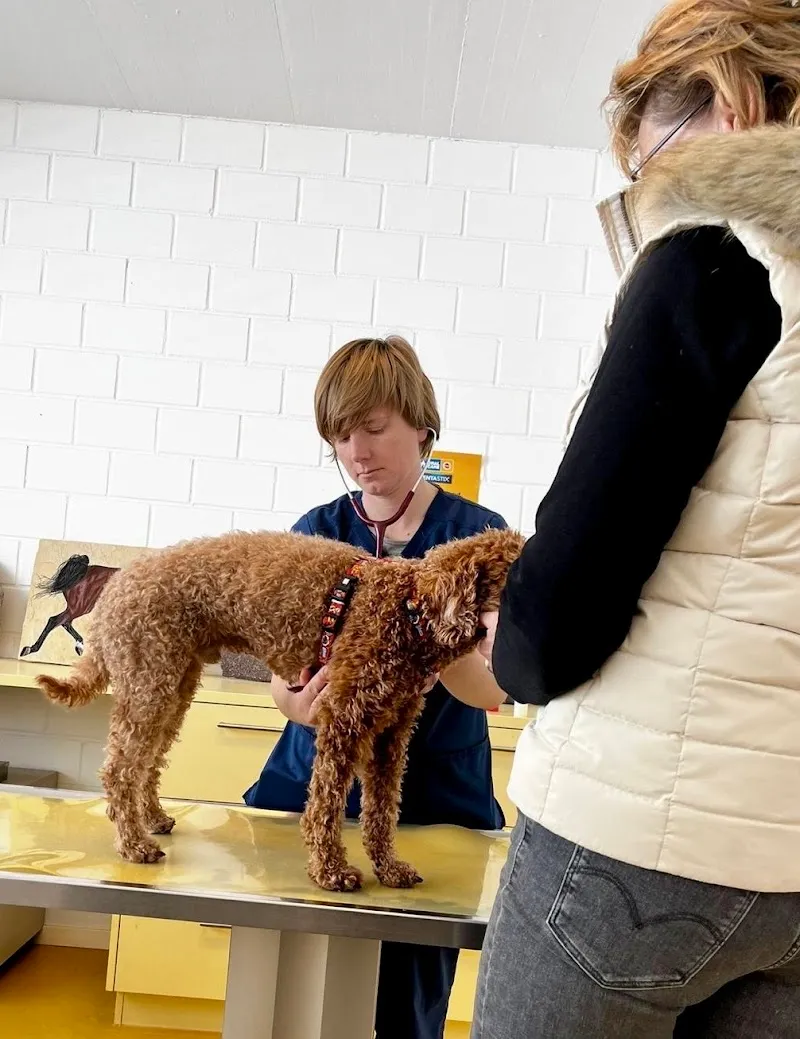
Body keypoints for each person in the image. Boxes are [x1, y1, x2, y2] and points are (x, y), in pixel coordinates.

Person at [472, 2, 800, 1037]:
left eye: (649, 159)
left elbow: (555, 616)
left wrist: (501, 644)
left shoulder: (713, 256)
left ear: (732, 98)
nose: (645, 191)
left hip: (631, 859)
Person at [244, 335, 508, 1039]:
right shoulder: (315, 535)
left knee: (407, 1008)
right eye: (340, 437)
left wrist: (434, 642)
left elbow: (493, 689)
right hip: (311, 790)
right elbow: (282, 678)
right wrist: (296, 704)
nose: (358, 451)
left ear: (422, 424)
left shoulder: (477, 540)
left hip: (433, 803)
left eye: (374, 428)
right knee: (289, 997)